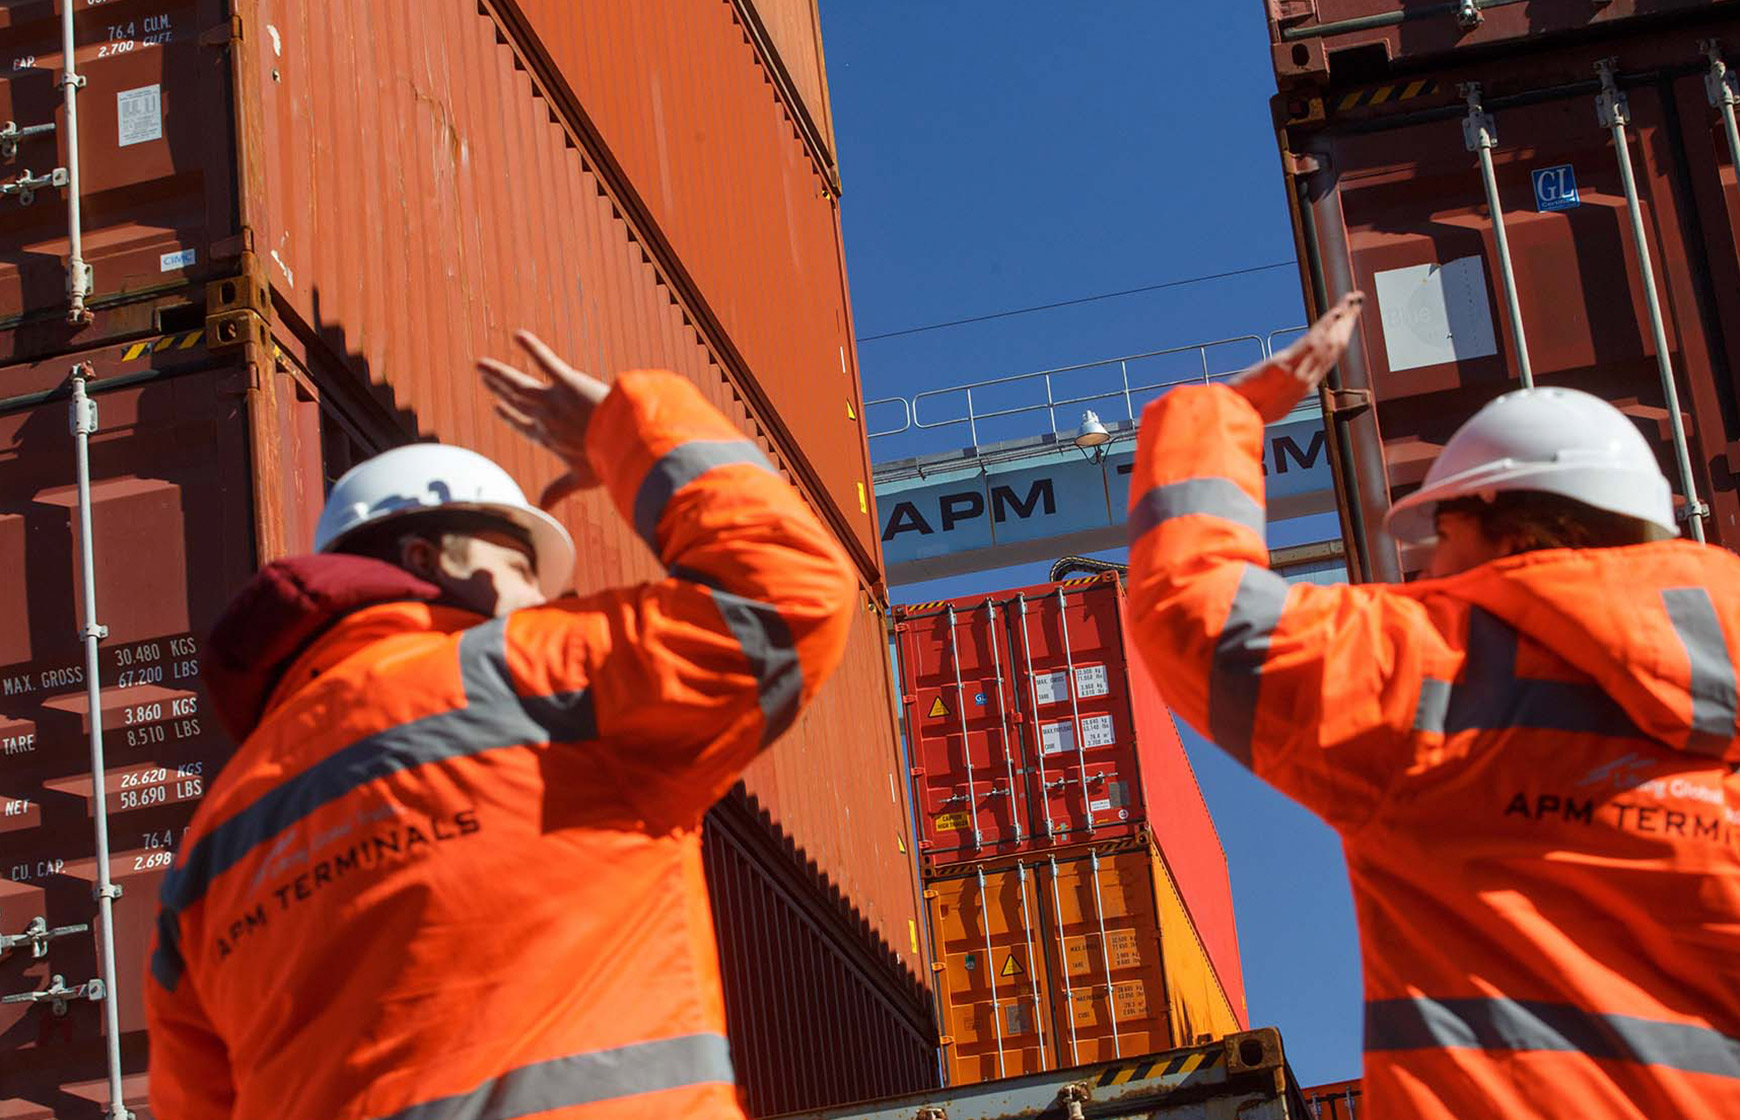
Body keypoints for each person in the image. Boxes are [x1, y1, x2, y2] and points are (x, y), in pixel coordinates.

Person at [144, 332, 859, 1120]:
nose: (548, 599)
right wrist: (625, 432)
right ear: (433, 558)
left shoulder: (206, 859)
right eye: (521, 571)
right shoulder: (538, 677)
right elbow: (790, 595)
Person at [1124, 293, 1740, 1120]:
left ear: (1498, 520)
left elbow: (1194, 613)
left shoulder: (1435, 669)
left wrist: (1220, 417)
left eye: (1441, 542)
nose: (1430, 574)